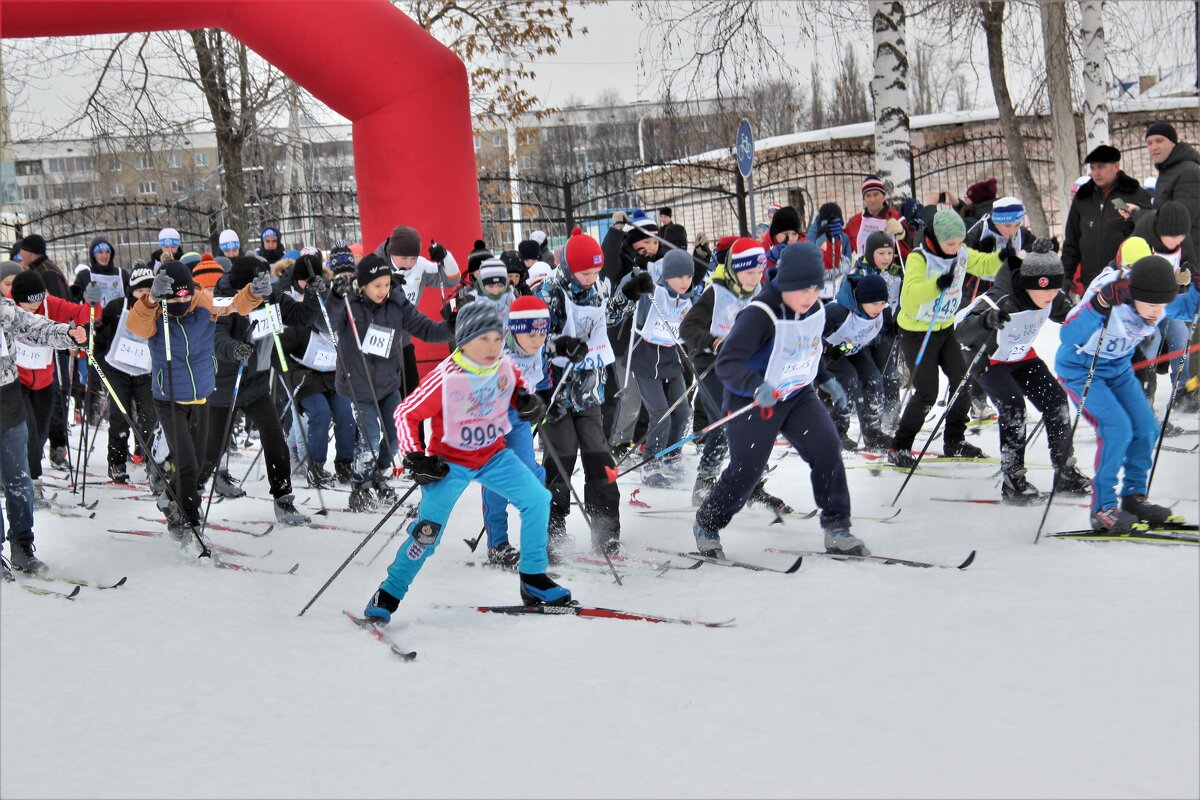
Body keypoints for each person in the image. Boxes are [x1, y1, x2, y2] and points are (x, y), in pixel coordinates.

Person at [362, 301, 566, 624]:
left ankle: (533, 578)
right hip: (450, 463)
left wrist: (528, 404)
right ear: (464, 339)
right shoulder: (446, 375)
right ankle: (389, 592)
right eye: (483, 339)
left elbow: (518, 392)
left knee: (537, 499)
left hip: (492, 457)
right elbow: (404, 413)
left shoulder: (503, 366)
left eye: (498, 339)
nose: (492, 347)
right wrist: (415, 458)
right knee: (427, 533)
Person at [694, 242, 868, 558]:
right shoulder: (759, 314)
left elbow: (808, 349)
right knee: (747, 469)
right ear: (784, 284)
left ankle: (837, 527)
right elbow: (727, 362)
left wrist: (826, 379)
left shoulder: (814, 308)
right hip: (753, 399)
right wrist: (755, 385)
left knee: (827, 448)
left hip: (797, 393)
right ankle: (707, 523)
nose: (810, 297)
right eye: (802, 291)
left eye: (816, 290)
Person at [1056, 254, 1200, 531]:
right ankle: (1103, 507)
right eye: (1151, 306)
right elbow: (1068, 334)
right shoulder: (1111, 290)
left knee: (1146, 428)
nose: (1157, 312)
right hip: (1082, 368)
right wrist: (1099, 305)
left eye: (1162, 306)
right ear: (1134, 294)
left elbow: (1187, 309)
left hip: (1118, 368)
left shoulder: (1154, 298)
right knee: (1117, 428)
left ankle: (1133, 496)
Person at [126, 260, 266, 539]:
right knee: (188, 462)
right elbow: (135, 326)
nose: (183, 299)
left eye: (186, 294)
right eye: (175, 295)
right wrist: (152, 298)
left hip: (201, 394)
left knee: (201, 462)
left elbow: (236, 305)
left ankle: (171, 497)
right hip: (169, 398)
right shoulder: (156, 312)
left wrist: (254, 292)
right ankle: (188, 518)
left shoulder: (204, 302)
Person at [537, 231, 648, 558]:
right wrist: (559, 344)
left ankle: (606, 533)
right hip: (555, 394)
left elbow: (608, 317)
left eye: (595, 274)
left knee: (601, 459)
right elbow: (529, 340)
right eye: (585, 274)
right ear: (571, 267)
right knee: (562, 458)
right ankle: (551, 528)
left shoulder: (597, 286)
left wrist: (628, 294)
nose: (591, 280)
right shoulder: (550, 291)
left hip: (589, 392)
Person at [955, 239, 1091, 502]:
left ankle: (1065, 470)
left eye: (1055, 291)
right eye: (1047, 292)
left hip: (1019, 355)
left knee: (1056, 399)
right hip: (987, 357)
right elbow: (961, 331)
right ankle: (1012, 479)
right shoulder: (1002, 297)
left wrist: (1097, 319)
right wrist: (986, 320)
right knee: (1013, 406)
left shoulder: (1049, 293)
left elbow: (1071, 316)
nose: (1051, 298)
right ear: (1031, 284)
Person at [197, 255, 321, 524]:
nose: (265, 282)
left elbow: (301, 316)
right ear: (244, 283)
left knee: (274, 436)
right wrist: (234, 349)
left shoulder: (272, 295)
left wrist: (311, 295)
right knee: (211, 449)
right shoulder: (223, 298)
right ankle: (190, 497)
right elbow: (216, 338)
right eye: (259, 278)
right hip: (225, 383)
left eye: (267, 276)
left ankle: (283, 499)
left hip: (255, 382)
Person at [326, 254, 452, 511]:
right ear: (362, 285)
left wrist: (453, 324)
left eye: (386, 284)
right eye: (376, 286)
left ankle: (378, 473)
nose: (383, 291)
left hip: (388, 383)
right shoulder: (349, 304)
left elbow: (426, 329)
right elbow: (325, 321)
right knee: (370, 436)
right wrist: (336, 297)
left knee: (396, 436)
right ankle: (360, 484)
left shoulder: (397, 304)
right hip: (358, 385)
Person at [887, 209, 1004, 468]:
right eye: (951, 243)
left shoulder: (960, 252)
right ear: (937, 239)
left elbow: (984, 265)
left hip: (944, 329)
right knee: (928, 393)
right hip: (917, 333)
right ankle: (899, 446)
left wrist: (1003, 256)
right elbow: (909, 298)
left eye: (960, 243)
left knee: (962, 381)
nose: (956, 248)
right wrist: (937, 284)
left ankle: (954, 440)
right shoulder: (920, 259)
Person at [1, 297, 88, 576]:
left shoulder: (3, 308)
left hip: (9, 404)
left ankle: (22, 547)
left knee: (20, 481)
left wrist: (67, 333)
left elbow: (35, 326)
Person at [681, 237, 765, 504]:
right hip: (710, 365)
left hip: (742, 366)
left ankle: (749, 480)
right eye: (749, 272)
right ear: (733, 269)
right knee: (725, 418)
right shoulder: (715, 293)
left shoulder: (759, 292)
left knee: (753, 419)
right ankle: (705, 481)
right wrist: (714, 342)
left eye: (759, 271)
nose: (755, 278)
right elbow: (688, 328)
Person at [9, 271, 92, 506]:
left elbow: (81, 314)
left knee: (41, 434)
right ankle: (32, 486)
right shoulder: (9, 310)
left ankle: (19, 474)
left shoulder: (49, 304)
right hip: (18, 383)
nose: (34, 306)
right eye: (28, 302)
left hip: (45, 381)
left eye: (38, 300)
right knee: (28, 435)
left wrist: (91, 303)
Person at [480, 295, 552, 566]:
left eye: (543, 332)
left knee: (532, 475)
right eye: (532, 334)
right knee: (498, 479)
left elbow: (540, 379)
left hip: (519, 420)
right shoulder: (495, 351)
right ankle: (497, 542)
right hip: (490, 423)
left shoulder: (538, 349)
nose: (538, 339)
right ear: (516, 331)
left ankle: (536, 536)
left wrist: (544, 402)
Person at [620, 249, 696, 488]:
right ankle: (650, 461)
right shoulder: (653, 292)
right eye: (679, 277)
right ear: (667, 275)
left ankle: (671, 453)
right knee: (660, 414)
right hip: (646, 358)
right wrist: (635, 282)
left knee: (682, 410)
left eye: (689, 277)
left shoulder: (687, 296)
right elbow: (628, 289)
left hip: (671, 359)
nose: (685, 282)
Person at [93, 265, 158, 483]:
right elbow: (100, 340)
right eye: (140, 291)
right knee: (120, 416)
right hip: (117, 369)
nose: (145, 296)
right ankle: (117, 461)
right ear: (132, 291)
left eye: (149, 290)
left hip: (145, 371)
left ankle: (153, 461)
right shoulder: (115, 307)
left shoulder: (158, 309)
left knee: (149, 416)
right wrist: (101, 364)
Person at [1061, 144, 1152, 297]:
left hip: (1126, 282)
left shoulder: (1136, 194)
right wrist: (1066, 277)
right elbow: (1072, 242)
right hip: (1091, 284)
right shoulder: (1082, 198)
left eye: (1101, 167)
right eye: (1093, 168)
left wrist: (1137, 214)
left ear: (1116, 166)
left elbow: (1151, 230)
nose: (1096, 173)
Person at [1129, 202, 1194, 406]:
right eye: (1173, 237)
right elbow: (1132, 270)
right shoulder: (1143, 234)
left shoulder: (1183, 236)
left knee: (1182, 336)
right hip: (1143, 304)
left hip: (1168, 301)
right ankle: (1143, 398)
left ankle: (1183, 391)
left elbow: (1190, 263)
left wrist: (1186, 276)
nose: (1178, 241)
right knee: (1151, 339)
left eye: (1181, 236)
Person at [822, 274, 894, 451]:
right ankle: (836, 431)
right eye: (873, 303)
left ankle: (872, 431)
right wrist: (826, 348)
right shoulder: (837, 312)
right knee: (849, 380)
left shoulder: (881, 312)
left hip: (852, 350)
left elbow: (885, 329)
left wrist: (895, 328)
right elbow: (811, 331)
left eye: (882, 303)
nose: (878, 308)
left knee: (874, 378)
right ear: (861, 300)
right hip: (830, 354)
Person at [1145, 122, 1199, 264]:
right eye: (1149, 143)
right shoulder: (1168, 171)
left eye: (1159, 141)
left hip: (1191, 259)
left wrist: (1140, 216)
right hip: (1177, 255)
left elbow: (1178, 222)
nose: (1153, 147)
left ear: (1173, 143)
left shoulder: (1188, 172)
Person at [845, 175, 912, 261]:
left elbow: (912, 247)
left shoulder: (896, 217)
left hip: (892, 272)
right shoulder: (855, 222)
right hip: (863, 272)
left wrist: (902, 233)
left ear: (883, 196)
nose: (872, 199)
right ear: (864, 199)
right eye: (868, 196)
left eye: (876, 194)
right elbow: (842, 249)